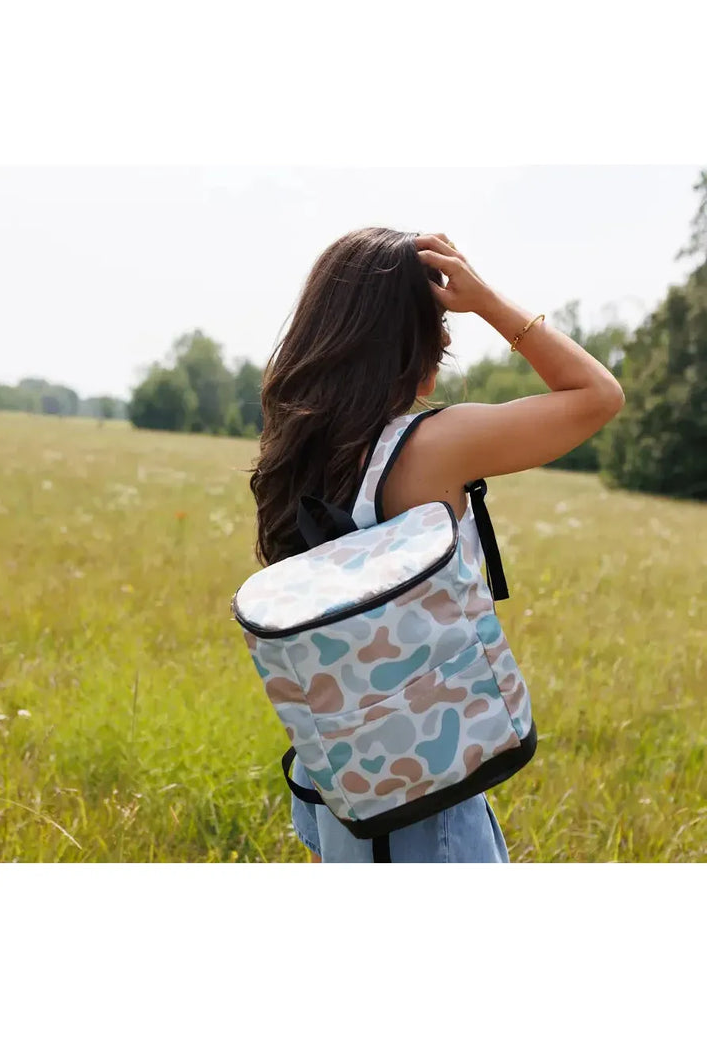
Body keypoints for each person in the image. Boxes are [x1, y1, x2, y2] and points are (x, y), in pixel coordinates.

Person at [250, 228, 625, 863]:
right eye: (438, 330)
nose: (446, 342)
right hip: (425, 784)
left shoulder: (304, 452)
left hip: (337, 777)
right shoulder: (430, 445)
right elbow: (599, 396)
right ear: (410, 342)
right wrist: (487, 301)